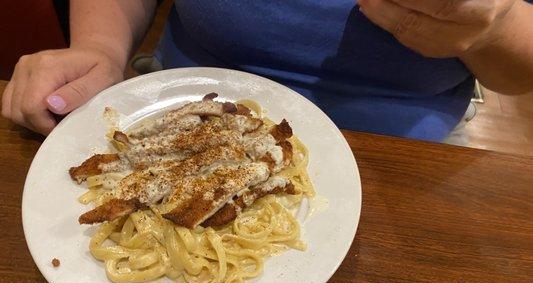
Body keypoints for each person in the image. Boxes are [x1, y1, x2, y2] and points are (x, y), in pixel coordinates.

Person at [2, 0, 533, 141]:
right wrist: (100, 46)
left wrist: (496, 27)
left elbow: (521, 71)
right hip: (180, 109)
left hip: (407, 153)